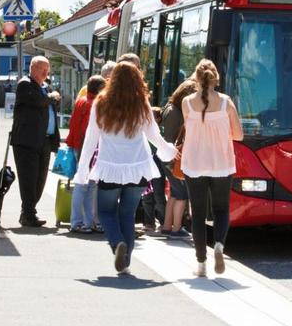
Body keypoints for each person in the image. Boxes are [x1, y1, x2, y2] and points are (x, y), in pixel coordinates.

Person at [73, 62, 176, 274]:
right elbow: (154, 136)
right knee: (127, 214)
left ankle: (117, 243)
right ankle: (126, 263)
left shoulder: (101, 103)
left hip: (110, 166)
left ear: (112, 79)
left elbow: (90, 140)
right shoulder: (141, 104)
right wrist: (169, 151)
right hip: (137, 167)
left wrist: (82, 170)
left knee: (106, 211)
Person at [180, 59, 243, 277]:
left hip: (194, 163)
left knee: (197, 214)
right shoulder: (226, 103)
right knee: (221, 209)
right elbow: (239, 135)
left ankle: (201, 264)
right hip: (221, 164)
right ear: (215, 77)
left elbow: (189, 128)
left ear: (196, 78)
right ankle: (218, 245)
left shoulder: (187, 103)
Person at [12, 56, 61, 227]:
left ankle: (28, 212)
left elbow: (50, 110)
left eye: (48, 69)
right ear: (33, 68)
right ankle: (28, 214)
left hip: (44, 141)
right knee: (28, 179)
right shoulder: (25, 84)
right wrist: (52, 97)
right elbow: (39, 101)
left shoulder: (45, 87)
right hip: (27, 141)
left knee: (40, 180)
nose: (46, 72)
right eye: (42, 69)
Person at [64, 74, 105, 233]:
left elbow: (74, 125)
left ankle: (84, 221)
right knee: (88, 186)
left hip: (77, 146)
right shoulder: (95, 104)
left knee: (84, 184)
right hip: (88, 148)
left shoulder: (81, 101)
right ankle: (82, 221)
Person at [159, 77, 196, 237]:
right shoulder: (176, 112)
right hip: (171, 158)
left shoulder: (170, 107)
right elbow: (170, 137)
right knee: (181, 194)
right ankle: (176, 228)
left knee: (174, 193)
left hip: (166, 157)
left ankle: (167, 226)